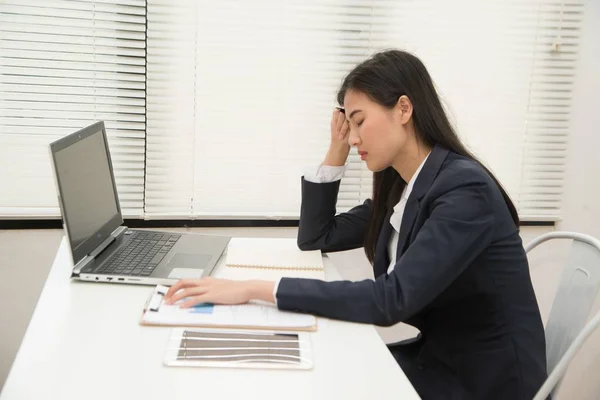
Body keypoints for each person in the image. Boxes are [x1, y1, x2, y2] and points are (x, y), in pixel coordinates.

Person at [165, 50, 548, 399]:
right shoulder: (405, 184)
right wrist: (337, 149)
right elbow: (316, 236)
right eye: (348, 125)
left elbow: (389, 300)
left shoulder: (465, 190)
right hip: (440, 359)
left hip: (484, 382)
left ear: (403, 109)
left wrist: (252, 288)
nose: (355, 138)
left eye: (360, 122)